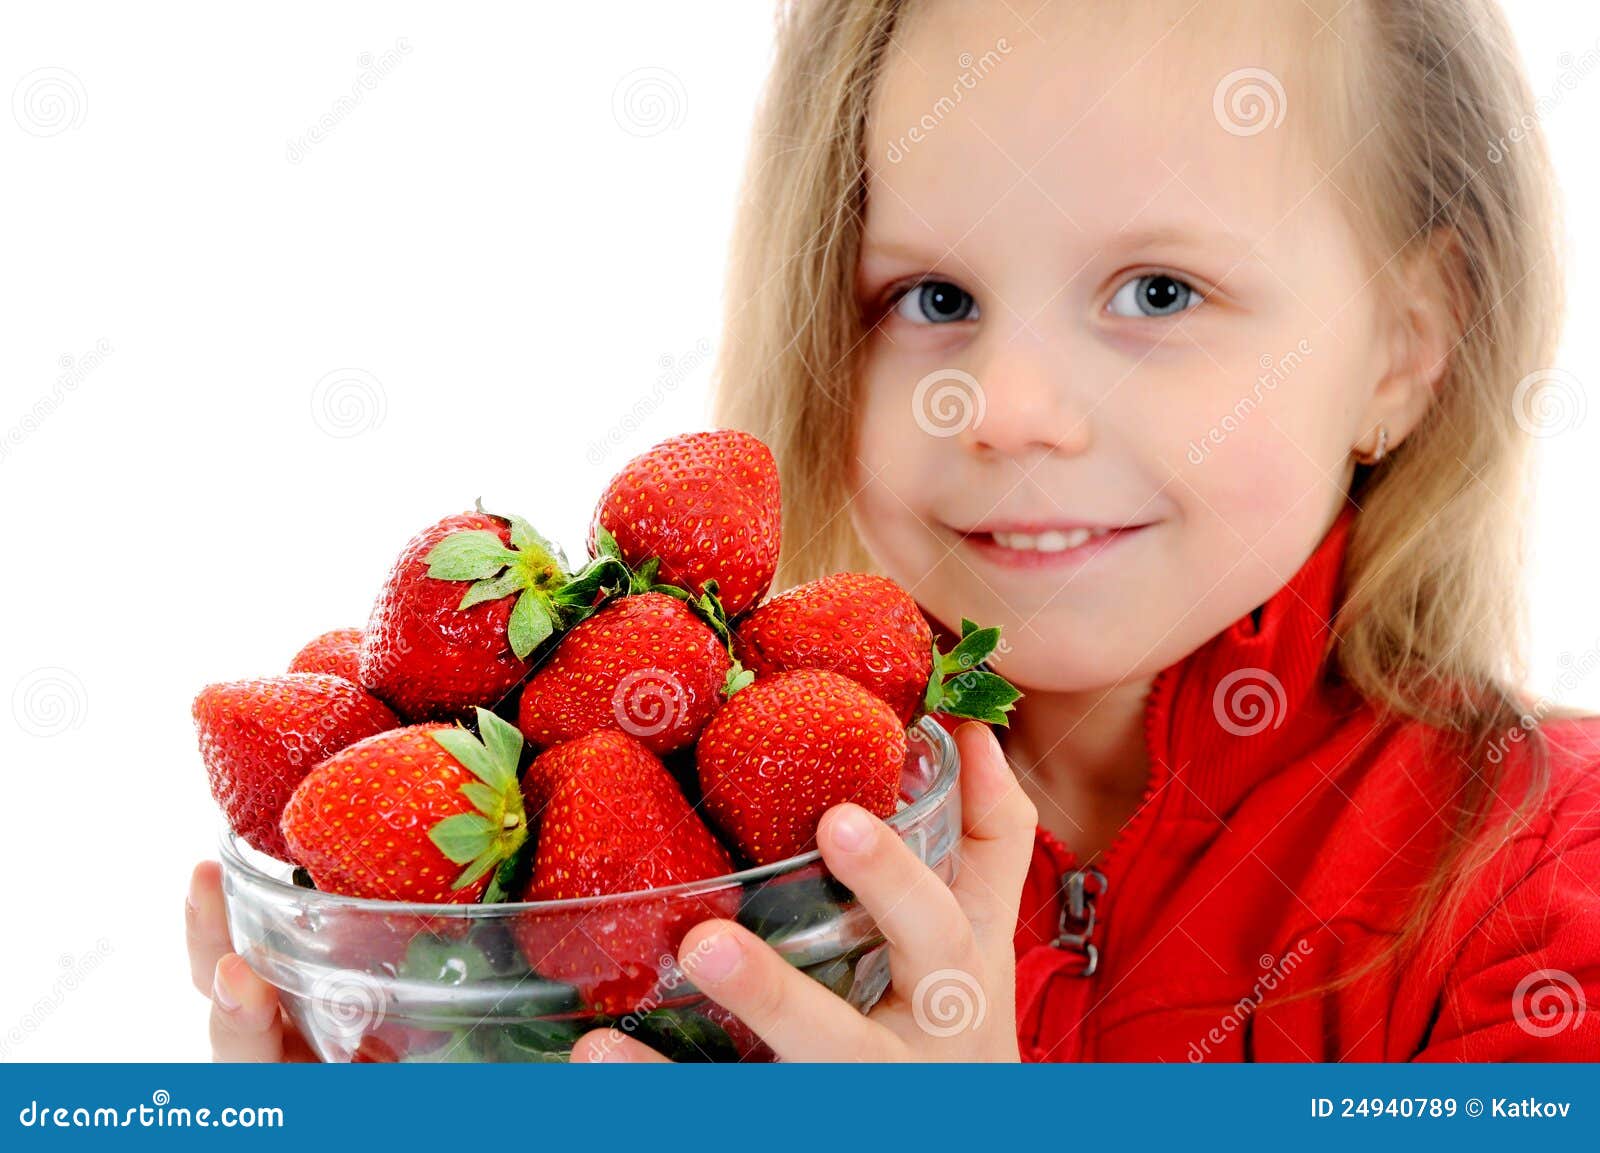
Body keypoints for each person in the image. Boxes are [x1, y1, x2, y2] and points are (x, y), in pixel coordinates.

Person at [187, 0, 1600, 1060]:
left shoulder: (1544, 890)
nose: (1010, 410)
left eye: (1159, 292)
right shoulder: (698, 871)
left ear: (1411, 344)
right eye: (931, 299)